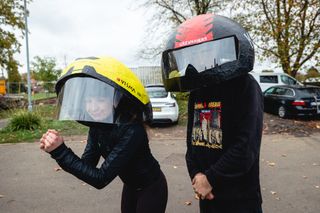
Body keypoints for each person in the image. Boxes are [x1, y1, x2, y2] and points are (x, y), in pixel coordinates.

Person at [161, 14, 263, 212]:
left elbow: (245, 148)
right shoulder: (197, 92)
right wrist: (197, 176)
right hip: (207, 197)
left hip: (241, 200)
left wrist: (210, 179)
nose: (199, 58)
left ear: (218, 49)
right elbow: (192, 144)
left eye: (205, 51)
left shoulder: (245, 86)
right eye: (194, 54)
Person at [40, 56, 168, 213]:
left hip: (152, 188)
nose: (93, 108)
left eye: (100, 100)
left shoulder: (132, 130)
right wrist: (57, 152)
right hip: (130, 187)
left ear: (114, 100)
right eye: (89, 101)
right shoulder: (96, 128)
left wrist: (60, 151)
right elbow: (87, 166)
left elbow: (100, 179)